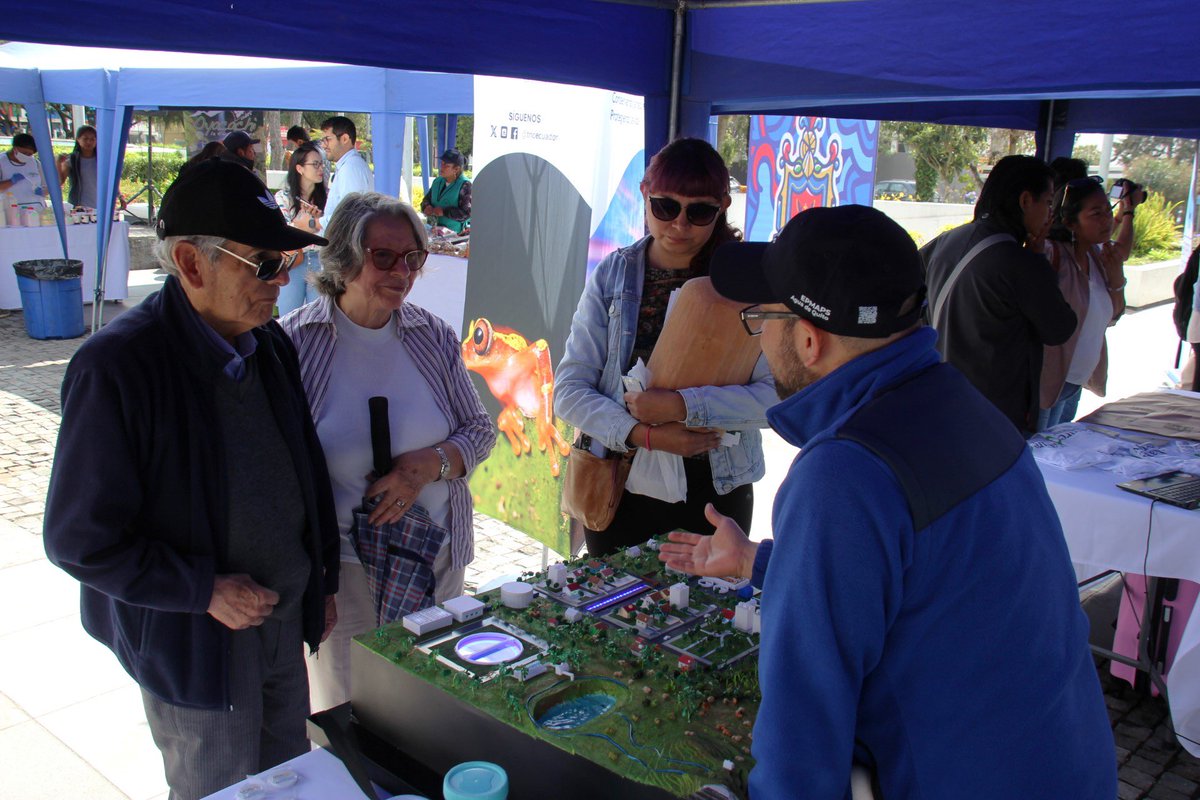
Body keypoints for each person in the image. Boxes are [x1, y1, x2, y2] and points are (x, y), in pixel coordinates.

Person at [660, 204, 1117, 799]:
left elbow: (804, 728)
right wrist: (762, 562)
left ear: (807, 338)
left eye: (764, 317)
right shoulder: (969, 409)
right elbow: (939, 584)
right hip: (1070, 768)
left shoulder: (843, 474)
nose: (762, 338)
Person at [42, 158, 340, 800]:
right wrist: (203, 588)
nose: (282, 280)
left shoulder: (269, 344)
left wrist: (323, 580)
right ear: (192, 262)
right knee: (220, 788)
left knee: (288, 781)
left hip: (282, 622)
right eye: (265, 263)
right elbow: (78, 540)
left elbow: (303, 472)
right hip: (198, 641)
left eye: (286, 262)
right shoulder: (117, 367)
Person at [280, 191, 495, 711]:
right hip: (344, 573)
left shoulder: (432, 335)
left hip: (435, 559)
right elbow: (281, 473)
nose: (402, 271)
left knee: (433, 700)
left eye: (413, 258)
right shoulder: (295, 342)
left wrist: (425, 467)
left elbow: (479, 430)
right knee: (350, 710)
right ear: (345, 258)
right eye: (384, 257)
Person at [554, 138, 775, 557]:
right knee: (615, 615)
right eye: (665, 207)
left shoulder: (749, 283)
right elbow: (568, 390)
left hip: (717, 490)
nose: (679, 224)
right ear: (644, 194)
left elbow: (775, 399)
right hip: (619, 483)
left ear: (723, 206)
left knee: (709, 618)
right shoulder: (613, 276)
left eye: (700, 212)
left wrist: (682, 407)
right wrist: (644, 435)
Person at [921, 154, 1076, 435]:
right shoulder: (1020, 261)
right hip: (994, 410)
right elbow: (1059, 328)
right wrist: (1038, 256)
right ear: (1026, 200)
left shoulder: (947, 240)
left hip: (939, 394)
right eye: (1049, 202)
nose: (1050, 214)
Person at [1038, 177, 1127, 428]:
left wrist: (1116, 278)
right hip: (1048, 381)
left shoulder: (1098, 256)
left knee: (1058, 450)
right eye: (1096, 213)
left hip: (1076, 381)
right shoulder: (1052, 254)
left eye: (1108, 210)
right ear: (1070, 222)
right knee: (1041, 453)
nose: (1107, 219)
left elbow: (1113, 315)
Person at [274, 141, 327, 314]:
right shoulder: (283, 197)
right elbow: (281, 231)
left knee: (318, 320)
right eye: (315, 164)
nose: (321, 169)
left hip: (320, 261)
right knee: (288, 318)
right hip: (294, 262)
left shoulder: (328, 197)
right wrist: (305, 225)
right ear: (299, 168)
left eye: (322, 164)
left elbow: (333, 229)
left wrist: (310, 224)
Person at [320, 115, 373, 220]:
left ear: (344, 139)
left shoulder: (351, 168)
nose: (323, 145)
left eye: (328, 139)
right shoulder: (349, 165)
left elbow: (350, 216)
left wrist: (313, 223)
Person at [421, 148, 472, 233]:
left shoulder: (465, 185)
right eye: (442, 163)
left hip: (454, 235)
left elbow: (466, 214)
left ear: (456, 169)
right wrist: (426, 206)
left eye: (447, 165)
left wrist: (444, 212)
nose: (442, 167)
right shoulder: (437, 181)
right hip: (433, 231)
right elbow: (425, 200)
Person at [0, 132, 48, 206]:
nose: (27, 156)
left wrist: (43, 192)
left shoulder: (35, 163)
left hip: (36, 208)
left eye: (30, 154)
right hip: (10, 209)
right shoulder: (2, 161)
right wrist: (10, 181)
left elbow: (46, 186)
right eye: (24, 153)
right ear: (15, 148)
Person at [56, 124, 98, 208]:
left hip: (101, 205)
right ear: (78, 140)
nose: (89, 142)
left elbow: (110, 180)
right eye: (85, 139)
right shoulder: (71, 159)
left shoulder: (102, 160)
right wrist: (58, 164)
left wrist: (120, 196)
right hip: (79, 206)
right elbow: (60, 181)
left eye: (92, 139)